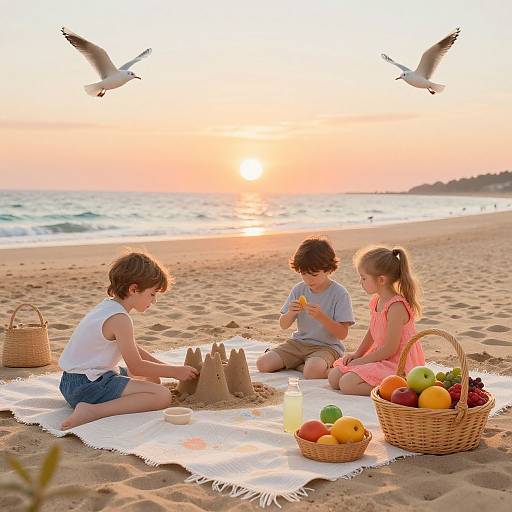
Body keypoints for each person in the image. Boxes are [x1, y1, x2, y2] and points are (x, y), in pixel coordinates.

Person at [58, 251, 198, 429]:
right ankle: (93, 411)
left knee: (152, 376)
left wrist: (163, 367)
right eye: (152, 294)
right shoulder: (120, 319)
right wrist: (174, 372)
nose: (154, 301)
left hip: (72, 382)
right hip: (88, 386)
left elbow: (133, 348)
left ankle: (103, 402)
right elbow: (136, 366)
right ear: (133, 289)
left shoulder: (107, 306)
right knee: (162, 396)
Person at [328, 246, 424, 395]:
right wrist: (358, 355)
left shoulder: (396, 307)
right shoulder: (377, 301)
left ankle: (399, 389)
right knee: (334, 377)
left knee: (347, 384)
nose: (361, 282)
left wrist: (362, 362)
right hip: (380, 355)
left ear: (381, 280)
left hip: (398, 363)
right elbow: (372, 331)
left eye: (364, 278)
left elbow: (390, 349)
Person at [256, 236, 354, 379]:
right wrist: (290, 313)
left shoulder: (339, 294)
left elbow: (342, 334)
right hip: (298, 343)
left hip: (327, 347)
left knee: (312, 372)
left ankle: (301, 365)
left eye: (314, 274)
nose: (308, 279)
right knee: (262, 364)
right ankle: (301, 364)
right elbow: (283, 325)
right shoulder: (299, 290)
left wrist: (322, 317)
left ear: (328, 269)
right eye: (303, 273)